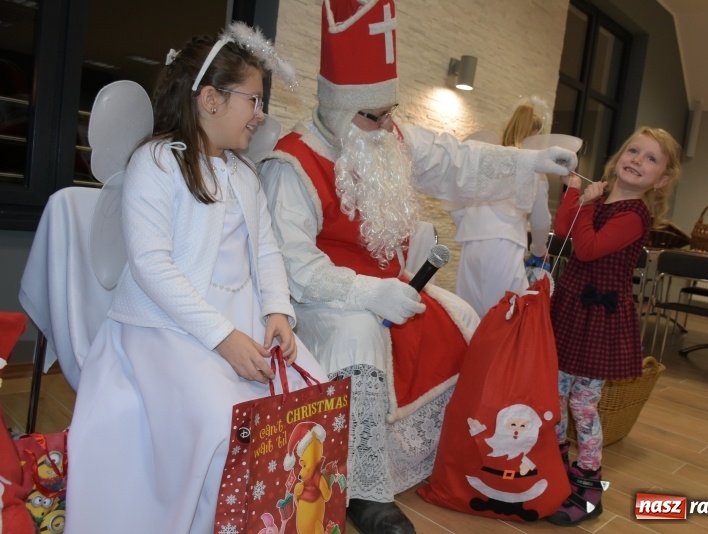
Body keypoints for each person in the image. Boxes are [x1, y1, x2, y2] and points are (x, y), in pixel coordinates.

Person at [259, 1, 576, 533]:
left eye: (390, 112)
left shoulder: (389, 136)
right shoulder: (292, 163)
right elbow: (292, 266)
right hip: (319, 301)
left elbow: (457, 161)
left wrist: (529, 162)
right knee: (359, 334)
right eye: (372, 116)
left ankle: (444, 457)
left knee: (459, 316)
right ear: (339, 110)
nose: (387, 126)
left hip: (388, 287)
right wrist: (368, 293)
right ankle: (361, 490)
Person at [64, 24, 327, 534]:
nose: (260, 113)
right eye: (252, 99)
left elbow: (267, 250)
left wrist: (276, 309)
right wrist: (223, 338)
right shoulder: (157, 163)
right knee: (221, 420)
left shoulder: (245, 176)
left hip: (238, 322)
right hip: (165, 330)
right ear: (210, 99)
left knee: (304, 401)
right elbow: (152, 266)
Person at [547, 127, 681, 526]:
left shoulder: (635, 215)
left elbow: (586, 248)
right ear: (619, 156)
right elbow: (562, 231)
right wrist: (575, 193)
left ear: (663, 179)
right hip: (571, 308)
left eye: (650, 158)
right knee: (553, 396)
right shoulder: (600, 199)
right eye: (633, 150)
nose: (638, 160)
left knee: (583, 405)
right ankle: (557, 474)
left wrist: (586, 204)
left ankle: (589, 488)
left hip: (599, 317)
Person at [449, 98, 552, 317]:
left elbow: (456, 200)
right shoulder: (534, 170)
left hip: (471, 243)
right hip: (505, 244)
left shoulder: (486, 160)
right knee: (507, 316)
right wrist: (539, 250)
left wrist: (470, 225)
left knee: (469, 315)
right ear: (536, 135)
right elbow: (541, 221)